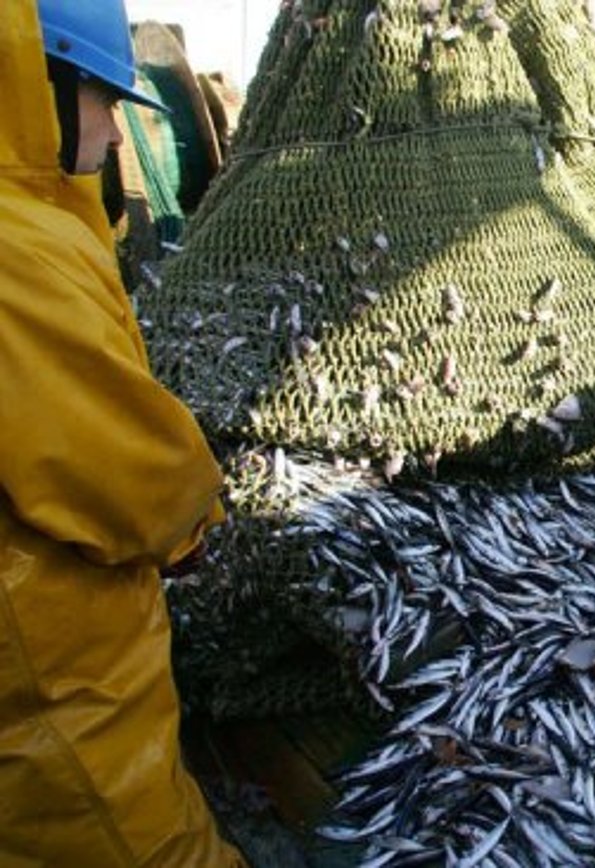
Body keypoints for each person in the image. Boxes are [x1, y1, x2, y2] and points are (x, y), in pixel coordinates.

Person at [0, 1, 244, 864]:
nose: (112, 131)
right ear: (38, 86)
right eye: (102, 100)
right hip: (50, 704)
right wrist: (192, 521)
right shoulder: (13, 252)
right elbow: (113, 467)